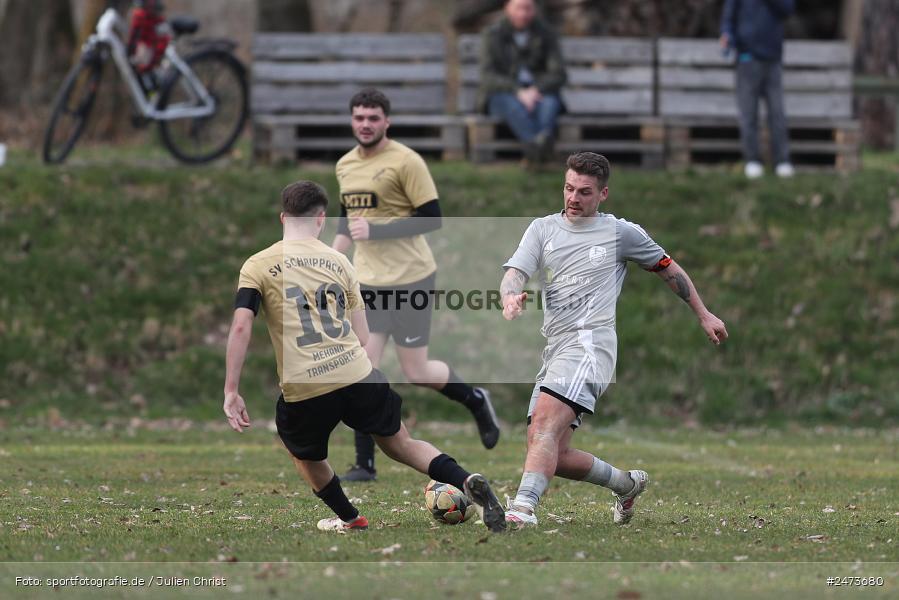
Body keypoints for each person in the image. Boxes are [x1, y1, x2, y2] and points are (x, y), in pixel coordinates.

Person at [222, 181, 506, 533]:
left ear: (283, 218)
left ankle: (350, 518)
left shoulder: (257, 265)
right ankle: (466, 480)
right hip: (357, 373)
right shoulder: (340, 261)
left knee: (306, 457)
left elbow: (240, 328)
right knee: (402, 443)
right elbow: (363, 336)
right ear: (321, 219)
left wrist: (231, 390)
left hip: (306, 386)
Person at [499, 152, 728, 527]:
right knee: (552, 448)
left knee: (543, 425)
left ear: (603, 194)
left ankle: (522, 509)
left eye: (584, 192)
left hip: (590, 347)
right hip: (556, 347)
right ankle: (626, 484)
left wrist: (703, 314)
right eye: (569, 188)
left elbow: (667, 268)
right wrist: (511, 295)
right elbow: (514, 271)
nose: (573, 198)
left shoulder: (621, 233)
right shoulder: (542, 229)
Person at [333, 87, 500, 483]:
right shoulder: (344, 166)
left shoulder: (406, 161)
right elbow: (347, 224)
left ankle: (476, 399)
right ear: (352, 120)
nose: (366, 124)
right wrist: (326, 264)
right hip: (367, 284)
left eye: (373, 118)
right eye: (359, 117)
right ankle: (365, 463)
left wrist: (377, 230)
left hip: (411, 277)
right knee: (362, 369)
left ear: (386, 121)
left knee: (417, 370)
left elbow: (433, 218)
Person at [477, 0, 567, 165]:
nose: (523, 13)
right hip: (504, 93)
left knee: (549, 103)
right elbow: (488, 76)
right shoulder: (492, 34)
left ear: (535, 9)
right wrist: (518, 91)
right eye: (519, 8)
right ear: (507, 8)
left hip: (540, 92)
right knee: (511, 104)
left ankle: (534, 152)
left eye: (528, 8)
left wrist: (535, 89)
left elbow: (558, 73)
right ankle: (541, 148)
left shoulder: (546, 34)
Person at [720, 0, 796, 179]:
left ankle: (782, 161)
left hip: (773, 58)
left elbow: (787, 9)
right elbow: (728, 18)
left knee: (777, 113)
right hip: (747, 58)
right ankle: (752, 160)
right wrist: (726, 35)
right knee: (749, 113)